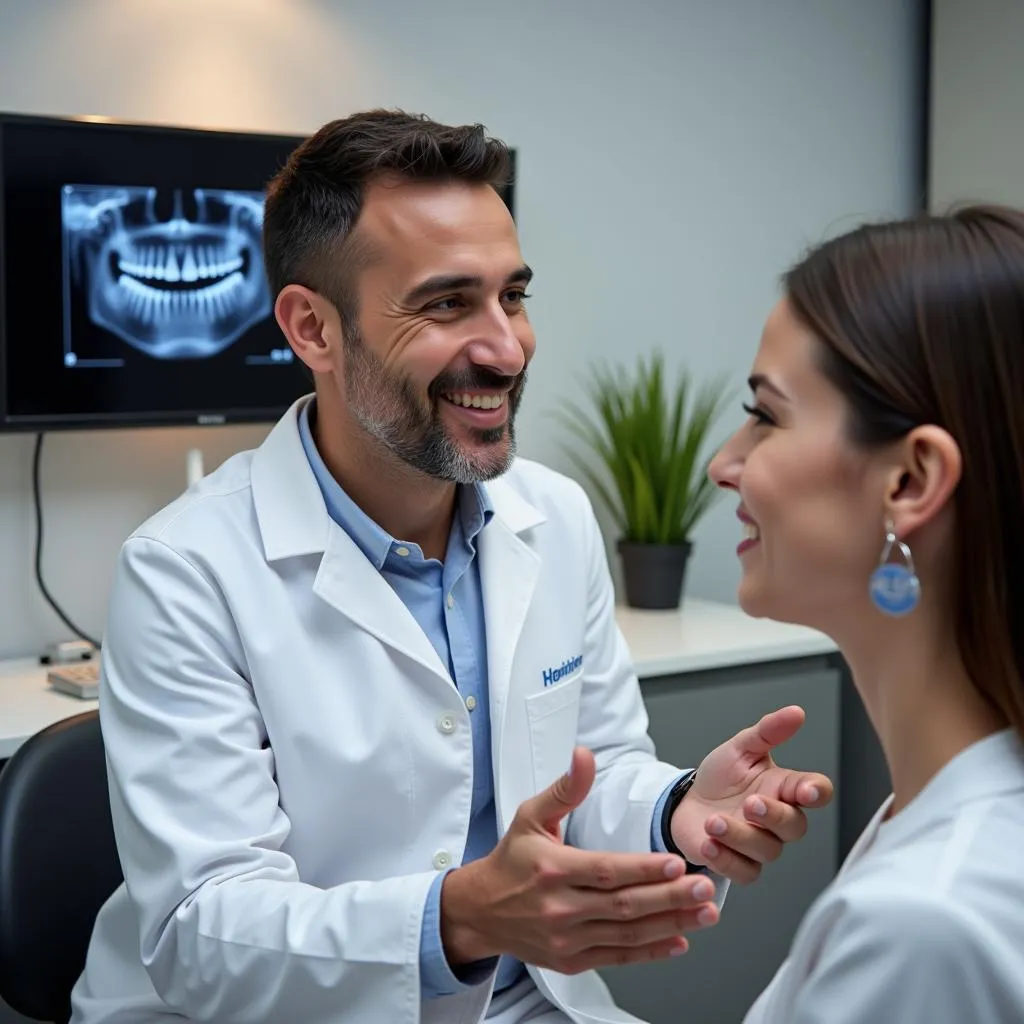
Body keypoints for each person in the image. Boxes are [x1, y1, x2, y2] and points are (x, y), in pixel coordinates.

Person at [70, 110, 832, 1024]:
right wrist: (454, 921)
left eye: (513, 296)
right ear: (312, 328)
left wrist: (674, 809)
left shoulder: (552, 516)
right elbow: (204, 931)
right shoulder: (183, 569)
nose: (506, 349)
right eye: (446, 304)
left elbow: (589, 776)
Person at [707, 204, 1024, 1023]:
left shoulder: (926, 923)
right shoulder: (932, 812)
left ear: (911, 483)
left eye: (767, 416)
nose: (724, 464)